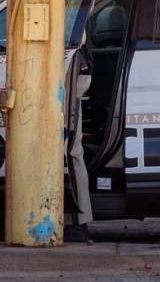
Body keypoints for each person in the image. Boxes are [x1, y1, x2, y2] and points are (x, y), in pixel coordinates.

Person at [64, 39, 94, 243]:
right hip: (70, 64)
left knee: (69, 152)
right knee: (71, 151)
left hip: (70, 66)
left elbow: (78, 36)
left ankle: (77, 221)